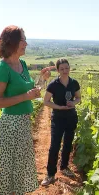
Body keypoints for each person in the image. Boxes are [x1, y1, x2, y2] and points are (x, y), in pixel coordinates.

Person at [0, 25, 54, 195]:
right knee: (10, 170)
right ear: (13, 43)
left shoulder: (22, 64)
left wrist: (42, 78)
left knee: (21, 167)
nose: (26, 43)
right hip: (11, 124)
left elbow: (33, 91)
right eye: (23, 40)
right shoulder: (2, 68)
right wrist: (25, 97)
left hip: (23, 122)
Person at [41, 58, 81, 186]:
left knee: (68, 144)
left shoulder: (74, 83)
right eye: (62, 69)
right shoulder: (53, 84)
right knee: (55, 146)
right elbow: (46, 101)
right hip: (58, 118)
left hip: (71, 117)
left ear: (69, 68)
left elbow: (79, 97)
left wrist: (73, 103)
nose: (65, 71)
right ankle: (50, 174)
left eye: (67, 68)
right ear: (58, 70)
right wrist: (60, 107)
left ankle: (64, 167)